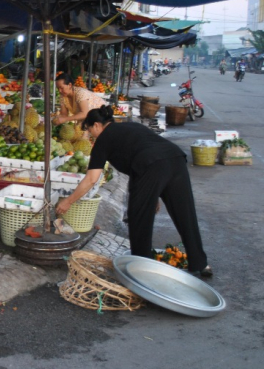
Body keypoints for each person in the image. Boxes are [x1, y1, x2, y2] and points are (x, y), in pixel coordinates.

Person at [56, 106, 212, 277]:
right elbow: (146, 157)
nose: (91, 135)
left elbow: (92, 179)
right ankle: (201, 264)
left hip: (151, 167)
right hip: (175, 160)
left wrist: (69, 201)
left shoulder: (103, 139)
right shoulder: (132, 126)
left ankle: (140, 269)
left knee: (139, 218)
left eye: (89, 130)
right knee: (185, 214)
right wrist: (154, 195)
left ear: (97, 125)